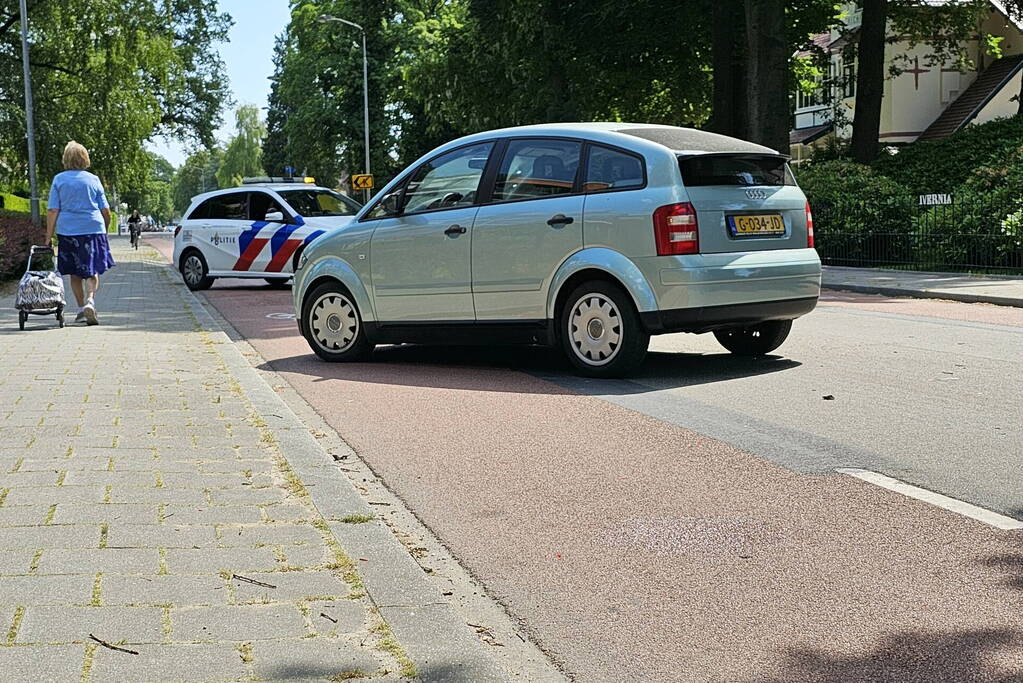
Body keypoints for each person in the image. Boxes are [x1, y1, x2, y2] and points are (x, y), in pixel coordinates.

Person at [44, 141, 115, 325]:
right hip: (93, 228)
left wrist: (48, 237)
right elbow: (105, 210)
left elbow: (53, 210)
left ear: (66, 159)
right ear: (85, 158)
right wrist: (104, 230)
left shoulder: (59, 180)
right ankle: (90, 300)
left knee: (74, 273)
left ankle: (81, 307)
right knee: (92, 270)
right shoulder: (94, 180)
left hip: (68, 231)